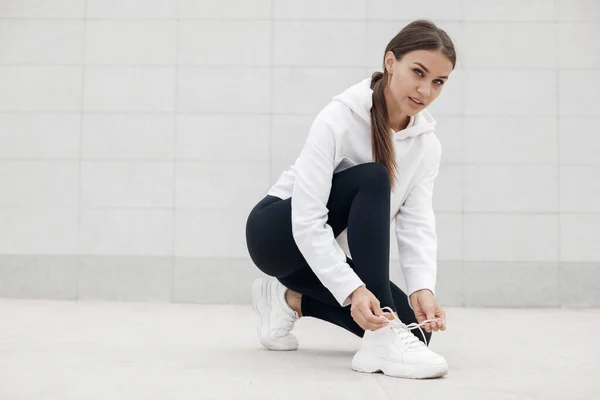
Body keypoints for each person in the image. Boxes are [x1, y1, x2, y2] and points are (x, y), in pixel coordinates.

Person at [245, 19, 456, 379]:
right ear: (391, 62)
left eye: (438, 82)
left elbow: (416, 219)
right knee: (373, 176)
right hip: (277, 235)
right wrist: (353, 290)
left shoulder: (427, 145)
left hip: (321, 253)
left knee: (416, 334)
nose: (425, 90)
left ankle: (288, 300)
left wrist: (422, 286)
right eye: (417, 72)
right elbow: (308, 219)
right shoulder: (338, 118)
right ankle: (382, 342)